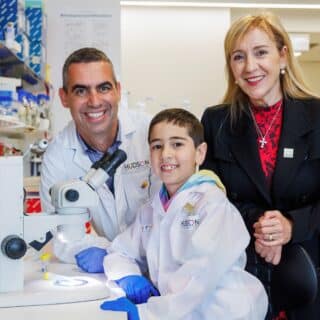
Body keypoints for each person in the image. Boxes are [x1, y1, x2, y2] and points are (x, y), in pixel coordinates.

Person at [201, 12, 320, 320]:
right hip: (243, 281)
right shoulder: (217, 122)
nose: (250, 67)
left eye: (261, 52)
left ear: (283, 56)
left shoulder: (317, 116)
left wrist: (291, 226)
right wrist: (263, 226)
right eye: (238, 57)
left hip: (311, 281)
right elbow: (209, 200)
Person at [99, 108, 268, 320]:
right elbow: (121, 251)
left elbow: (199, 279)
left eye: (177, 144)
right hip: (177, 312)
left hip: (224, 313)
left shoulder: (212, 206)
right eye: (157, 146)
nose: (166, 154)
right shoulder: (152, 208)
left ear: (200, 153)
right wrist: (127, 274)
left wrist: (147, 313)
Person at [40, 47, 160, 271]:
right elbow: (63, 235)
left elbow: (170, 210)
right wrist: (113, 257)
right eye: (81, 91)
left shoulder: (151, 134)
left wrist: (124, 255)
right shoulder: (57, 157)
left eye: (103, 88)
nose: (94, 101)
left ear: (118, 91)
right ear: (64, 98)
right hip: (110, 269)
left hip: (164, 262)